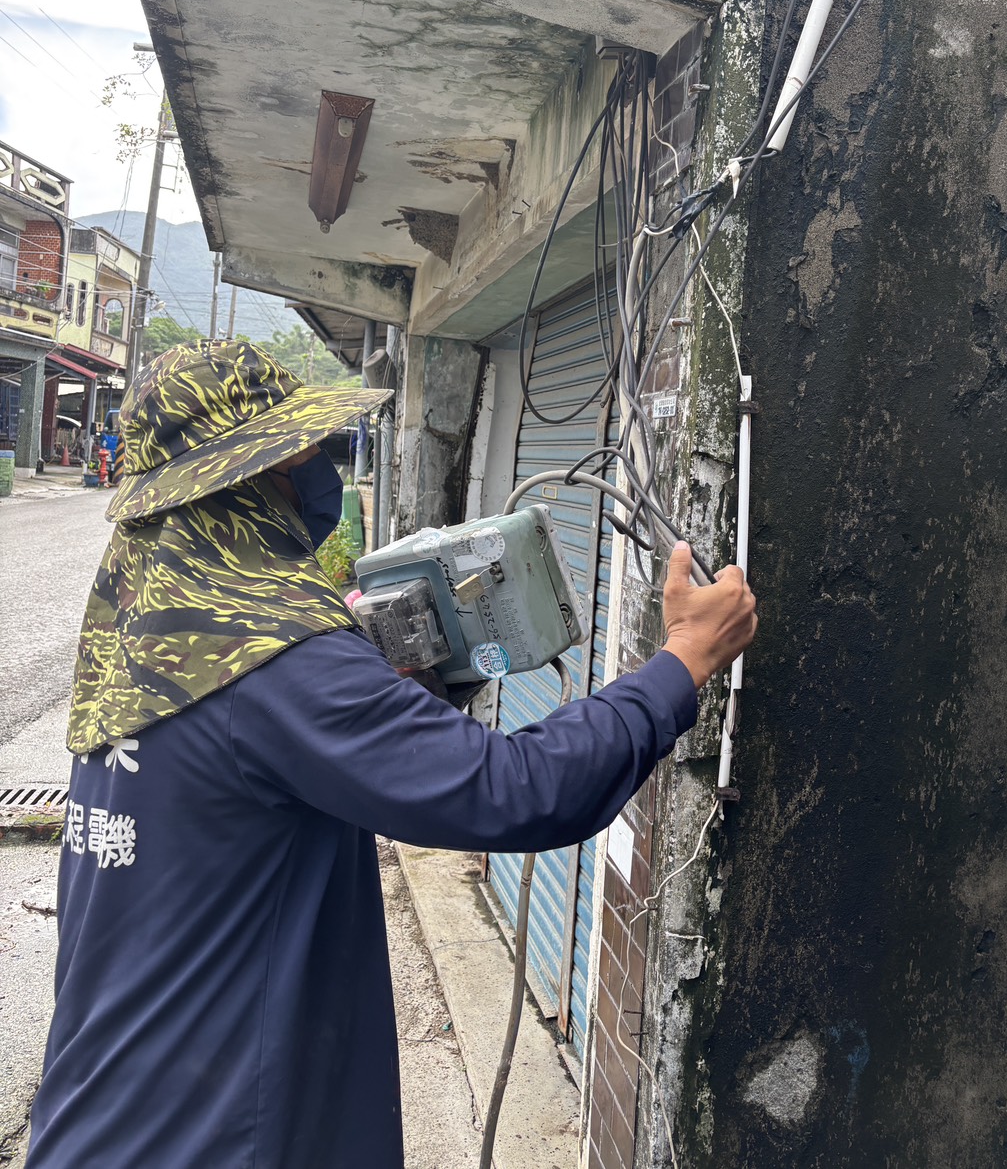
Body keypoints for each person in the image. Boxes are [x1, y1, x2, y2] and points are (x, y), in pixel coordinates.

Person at [27, 340, 757, 1169]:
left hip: (95, 1123)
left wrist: (399, 692)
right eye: (301, 452)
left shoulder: (145, 633)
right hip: (216, 1142)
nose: (318, 469)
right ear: (249, 476)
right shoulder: (278, 657)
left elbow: (257, 776)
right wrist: (681, 665)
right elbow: (518, 790)